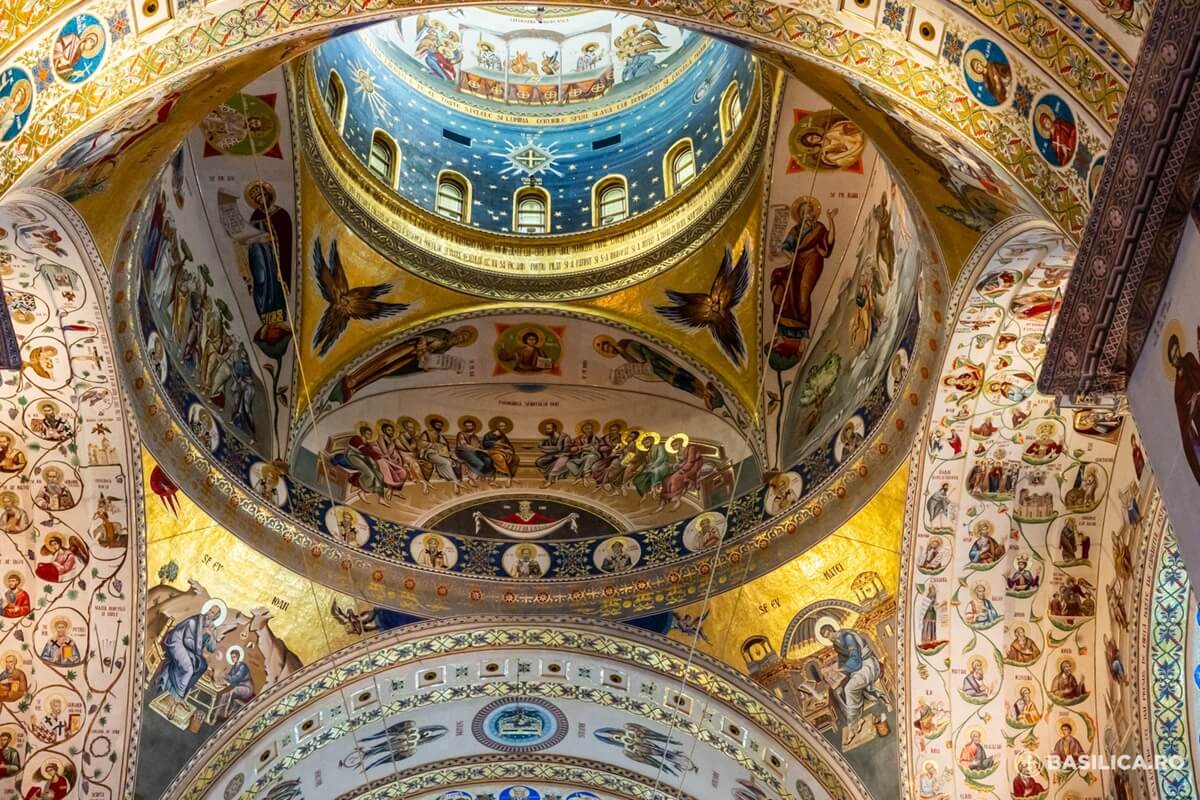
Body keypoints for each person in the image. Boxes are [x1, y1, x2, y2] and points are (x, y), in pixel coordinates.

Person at [771, 196, 836, 359]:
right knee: (780, 292)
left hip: (812, 264)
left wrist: (831, 220)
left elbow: (828, 243)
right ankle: (781, 333)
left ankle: (803, 337)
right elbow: (786, 247)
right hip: (796, 265)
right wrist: (791, 257)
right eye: (805, 213)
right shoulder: (796, 230)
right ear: (800, 215)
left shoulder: (819, 228)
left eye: (811, 212)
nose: (809, 215)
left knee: (803, 297)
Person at [817, 623, 889, 745]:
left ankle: (852, 725)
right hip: (858, 669)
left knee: (849, 689)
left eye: (829, 634)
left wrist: (841, 669)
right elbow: (843, 660)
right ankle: (856, 721)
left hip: (868, 664)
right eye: (826, 637)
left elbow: (855, 659)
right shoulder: (837, 643)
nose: (829, 638)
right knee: (839, 691)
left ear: (833, 630)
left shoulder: (848, 637)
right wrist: (837, 672)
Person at [158, 602, 221, 705]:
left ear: (216, 616)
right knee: (189, 669)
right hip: (177, 642)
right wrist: (198, 650)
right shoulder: (195, 621)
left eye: (213, 613)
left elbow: (212, 649)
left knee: (202, 665)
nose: (210, 614)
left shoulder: (212, 628)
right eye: (210, 610)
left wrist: (212, 636)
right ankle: (177, 697)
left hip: (189, 649)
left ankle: (176, 693)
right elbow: (187, 640)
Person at [1167, 331, 1200, 484]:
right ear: (1171, 362)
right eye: (1173, 356)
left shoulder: (1189, 359)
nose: (1176, 357)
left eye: (1176, 351)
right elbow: (1183, 418)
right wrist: (1192, 407)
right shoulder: (1176, 389)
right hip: (1197, 419)